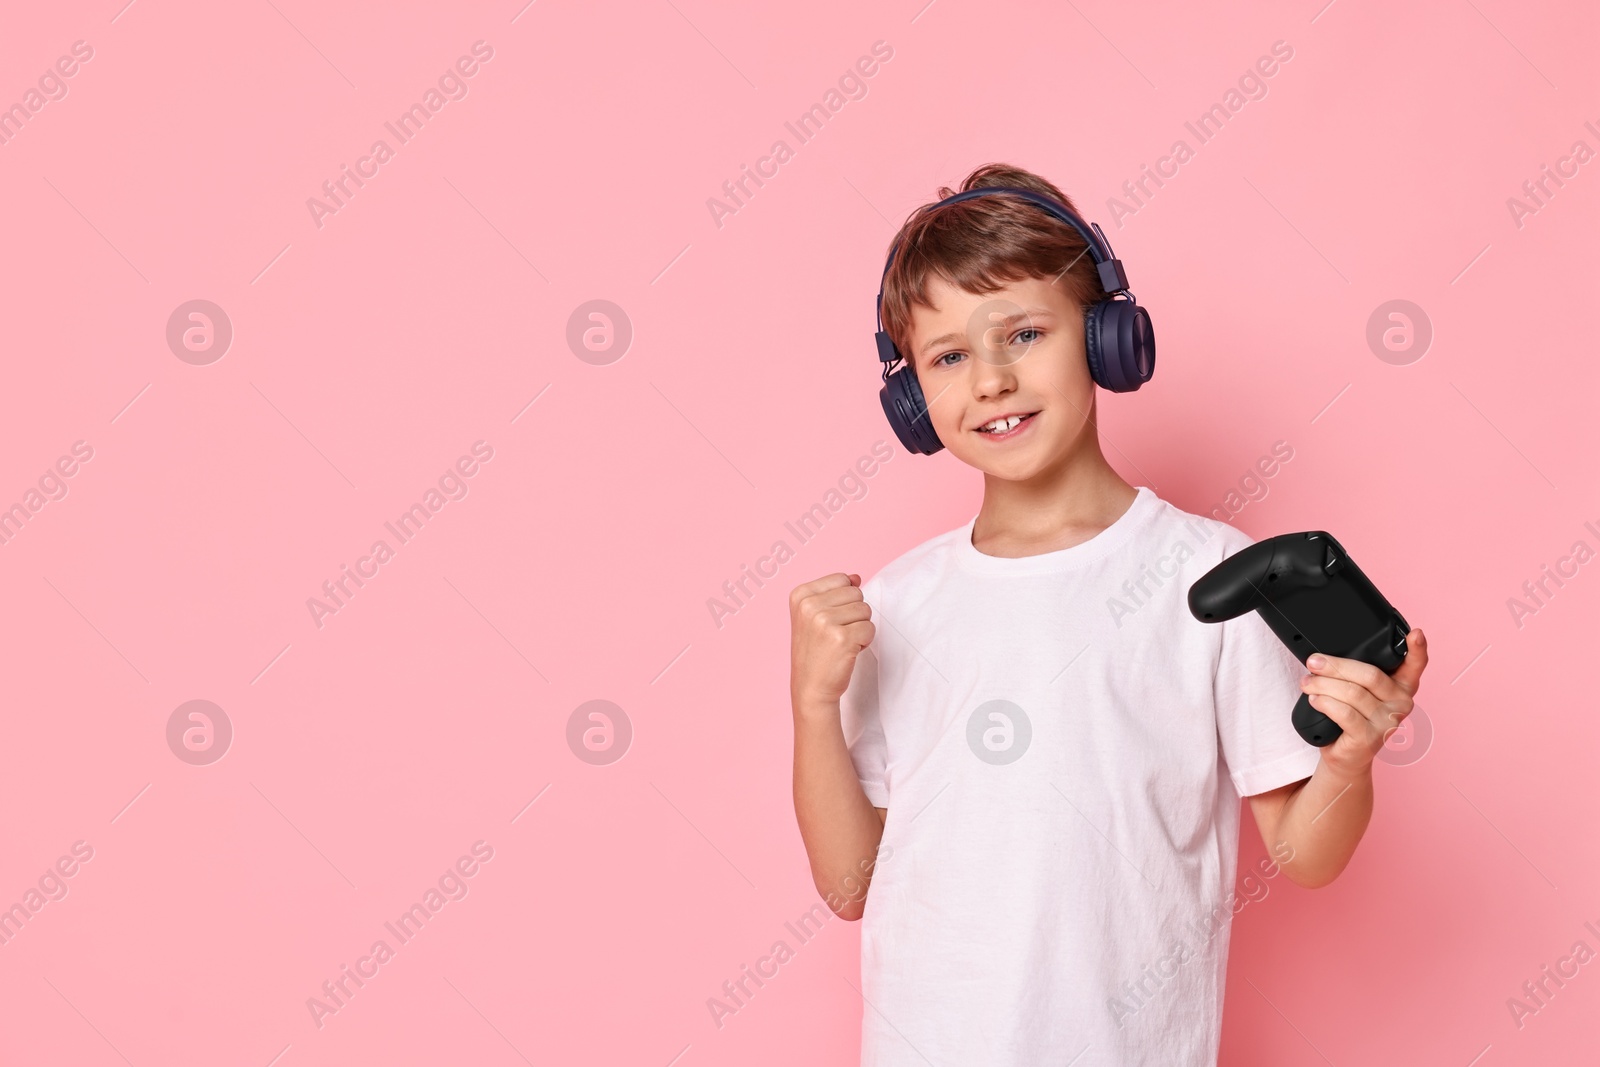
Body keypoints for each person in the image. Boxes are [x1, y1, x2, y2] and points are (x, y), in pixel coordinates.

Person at [787, 162, 1428, 1066]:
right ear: (913, 400)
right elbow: (850, 886)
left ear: (1108, 339)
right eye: (950, 356)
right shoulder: (895, 604)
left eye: (1024, 333)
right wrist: (813, 708)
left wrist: (1351, 758)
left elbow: (1307, 852)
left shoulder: (1210, 575)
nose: (993, 379)